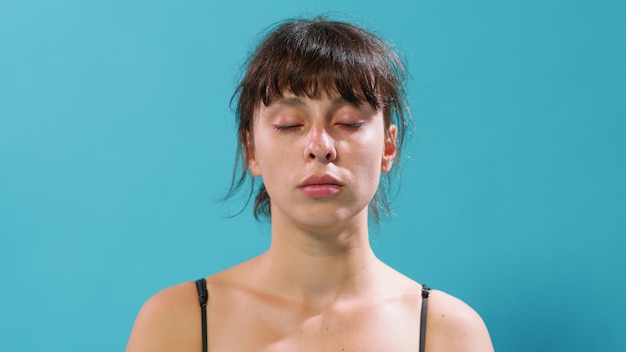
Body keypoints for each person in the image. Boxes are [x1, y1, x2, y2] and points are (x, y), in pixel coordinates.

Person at [126, 17, 494, 352]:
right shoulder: (178, 321)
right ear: (251, 150)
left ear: (388, 147)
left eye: (349, 122)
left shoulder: (448, 333)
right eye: (289, 124)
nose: (320, 147)